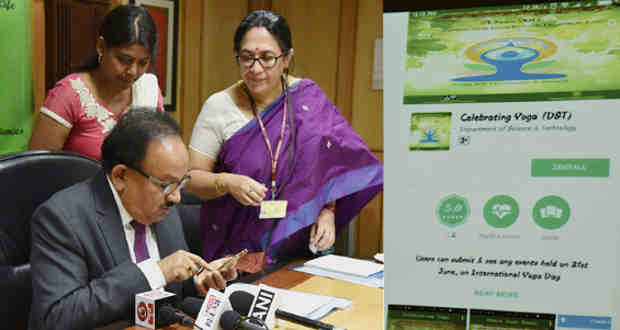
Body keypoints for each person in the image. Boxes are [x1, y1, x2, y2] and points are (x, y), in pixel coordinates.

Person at [185, 10, 383, 271]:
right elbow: (190, 179)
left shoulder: (308, 99)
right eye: (246, 58)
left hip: (301, 249)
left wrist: (328, 211)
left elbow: (332, 166)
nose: (255, 69)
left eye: (267, 58)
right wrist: (227, 182)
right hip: (237, 254)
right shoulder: (219, 106)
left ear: (287, 58)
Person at [29, 109, 237, 330]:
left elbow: (175, 295)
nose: (176, 197)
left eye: (181, 182)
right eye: (166, 184)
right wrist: (156, 271)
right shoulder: (61, 219)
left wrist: (200, 279)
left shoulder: (161, 206)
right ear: (120, 176)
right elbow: (57, 318)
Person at [28, 5, 164, 161]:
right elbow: (36, 170)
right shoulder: (70, 94)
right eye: (124, 60)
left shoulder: (148, 91)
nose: (133, 71)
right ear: (101, 47)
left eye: (143, 63)